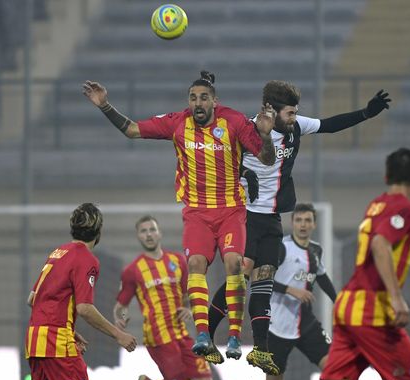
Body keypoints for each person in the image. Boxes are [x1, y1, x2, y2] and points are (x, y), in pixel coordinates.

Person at [83, 71, 276, 362]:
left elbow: (267, 158)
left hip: (230, 210)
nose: (198, 103)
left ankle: (234, 334)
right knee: (195, 264)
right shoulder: (177, 122)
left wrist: (264, 134)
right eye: (193, 98)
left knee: (234, 265)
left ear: (215, 101)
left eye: (204, 98)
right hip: (196, 212)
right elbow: (132, 130)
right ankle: (202, 335)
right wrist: (104, 105)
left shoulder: (233, 121)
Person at [206, 80, 392, 373]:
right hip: (244, 216)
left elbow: (329, 125)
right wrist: (242, 171)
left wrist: (366, 114)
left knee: (263, 281)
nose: (295, 119)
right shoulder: (248, 129)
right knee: (238, 280)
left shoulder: (295, 126)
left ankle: (260, 349)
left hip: (271, 217)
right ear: (271, 111)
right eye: (290, 114)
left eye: (296, 113)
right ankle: (205, 336)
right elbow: (219, 161)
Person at [312, 148, 410, 380]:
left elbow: (376, 254)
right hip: (371, 310)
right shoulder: (407, 209)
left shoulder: (377, 205)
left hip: (348, 305)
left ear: (387, 176)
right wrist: (397, 298)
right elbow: (379, 245)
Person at [25, 203, 137, 380]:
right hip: (56, 340)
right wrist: (118, 334)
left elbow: (33, 299)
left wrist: (69, 329)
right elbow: (84, 308)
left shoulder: (57, 253)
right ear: (99, 231)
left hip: (35, 338)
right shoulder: (86, 259)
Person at [113, 215, 212, 380]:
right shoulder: (133, 270)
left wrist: (188, 309)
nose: (148, 234)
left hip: (180, 333)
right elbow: (121, 307)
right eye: (143, 231)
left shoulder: (178, 261)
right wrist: (122, 317)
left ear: (160, 233)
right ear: (138, 237)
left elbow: (186, 295)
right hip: (157, 336)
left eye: (152, 230)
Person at [249, 203, 337, 380]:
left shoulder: (316, 250)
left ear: (314, 224)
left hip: (306, 323)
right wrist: (290, 290)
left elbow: (322, 277)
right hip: (277, 328)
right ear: (293, 223)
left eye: (307, 220)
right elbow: (259, 278)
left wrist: (338, 302)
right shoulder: (281, 248)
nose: (303, 225)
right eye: (299, 220)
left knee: (335, 370)